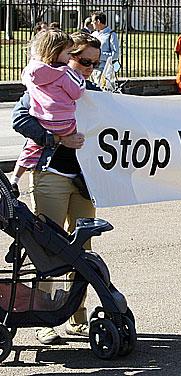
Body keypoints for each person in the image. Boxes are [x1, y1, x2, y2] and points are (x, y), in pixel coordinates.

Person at [12, 31, 101, 345]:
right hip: (51, 173)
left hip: (85, 181)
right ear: (66, 55)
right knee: (48, 247)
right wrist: (57, 139)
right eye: (83, 60)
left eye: (94, 63)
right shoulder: (45, 82)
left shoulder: (92, 90)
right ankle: (45, 318)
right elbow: (20, 118)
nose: (89, 67)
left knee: (83, 249)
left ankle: (77, 318)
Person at [10, 29, 86, 197]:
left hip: (43, 120)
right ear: (56, 51)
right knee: (82, 134)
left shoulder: (31, 71)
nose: (69, 58)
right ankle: (81, 175)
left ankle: (14, 179)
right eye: (68, 53)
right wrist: (80, 78)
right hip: (65, 123)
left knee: (30, 148)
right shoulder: (64, 73)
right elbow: (76, 92)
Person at [91, 11, 119, 77]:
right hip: (91, 69)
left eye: (93, 21)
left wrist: (99, 55)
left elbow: (115, 54)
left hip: (103, 70)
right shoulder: (93, 34)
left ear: (98, 21)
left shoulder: (111, 35)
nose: (92, 23)